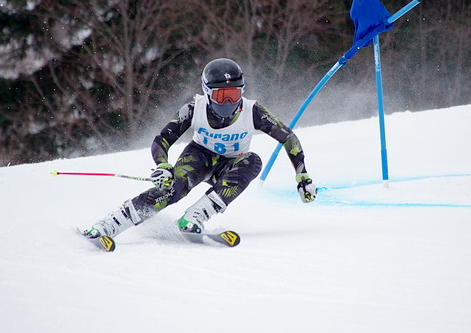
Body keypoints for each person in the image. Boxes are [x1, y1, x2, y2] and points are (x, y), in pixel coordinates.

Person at [83, 57, 317, 241]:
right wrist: (163, 166)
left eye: (234, 94)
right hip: (198, 157)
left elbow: (288, 138)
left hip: (230, 164)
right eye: (220, 96)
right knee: (174, 188)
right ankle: (111, 224)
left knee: (252, 161)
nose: (228, 102)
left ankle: (196, 215)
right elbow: (161, 140)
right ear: (207, 92)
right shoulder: (194, 108)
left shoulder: (253, 111)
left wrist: (302, 174)